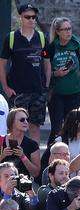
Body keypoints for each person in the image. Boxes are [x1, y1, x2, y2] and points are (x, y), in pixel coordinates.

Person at [0, 4, 49, 144]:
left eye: (34, 17)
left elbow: (47, 61)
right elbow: (2, 63)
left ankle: (34, 161)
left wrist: (46, 85)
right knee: (15, 127)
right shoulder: (11, 38)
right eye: (28, 17)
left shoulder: (41, 37)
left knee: (35, 127)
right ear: (21, 17)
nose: (32, 20)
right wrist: (5, 87)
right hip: (17, 91)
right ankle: (13, 159)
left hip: (37, 91)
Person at [45, 17, 80, 144]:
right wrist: (55, 73)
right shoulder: (51, 47)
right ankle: (49, 158)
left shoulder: (77, 47)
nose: (68, 32)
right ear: (57, 32)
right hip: (56, 94)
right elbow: (44, 72)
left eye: (69, 29)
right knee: (57, 129)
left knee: (71, 128)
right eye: (64, 29)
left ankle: (68, 157)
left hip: (74, 93)